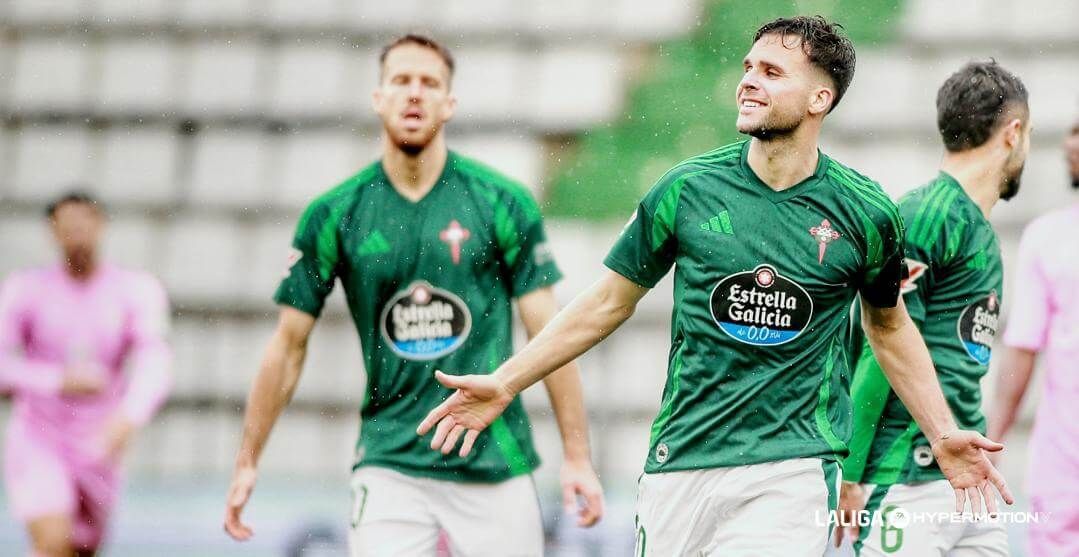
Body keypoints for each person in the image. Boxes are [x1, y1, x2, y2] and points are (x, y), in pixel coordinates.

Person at [417, 16, 1013, 556]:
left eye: (771, 72)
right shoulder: (685, 190)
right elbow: (606, 302)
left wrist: (941, 434)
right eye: (748, 67)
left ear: (819, 98)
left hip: (793, 468)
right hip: (682, 459)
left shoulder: (866, 212)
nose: (748, 81)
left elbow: (889, 326)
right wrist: (504, 381)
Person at [222, 34, 604, 557]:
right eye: (401, 81)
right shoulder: (336, 214)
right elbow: (288, 347)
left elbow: (550, 334)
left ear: (449, 104)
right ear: (379, 97)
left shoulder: (502, 202)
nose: (415, 94)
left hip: (494, 460)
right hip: (389, 463)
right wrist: (248, 459)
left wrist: (577, 457)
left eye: (430, 83)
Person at [836, 61, 1030, 556]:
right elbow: (882, 344)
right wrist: (852, 472)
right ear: (1014, 133)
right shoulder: (928, 214)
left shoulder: (977, 226)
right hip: (901, 477)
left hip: (967, 481)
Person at [0, 191, 172, 557]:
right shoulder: (26, 290)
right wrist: (55, 380)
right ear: (53, 231)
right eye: (67, 225)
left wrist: (129, 416)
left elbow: (155, 358)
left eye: (85, 222)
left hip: (99, 440)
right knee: (52, 542)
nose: (77, 233)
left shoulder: (134, 290)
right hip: (40, 435)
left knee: (80, 549)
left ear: (101, 226)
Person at [987, 118, 1079, 557]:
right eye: (1073, 130)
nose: (1071, 142)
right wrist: (995, 437)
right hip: (1065, 466)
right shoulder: (1048, 237)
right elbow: (1022, 349)